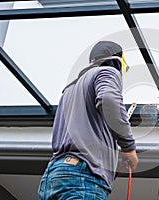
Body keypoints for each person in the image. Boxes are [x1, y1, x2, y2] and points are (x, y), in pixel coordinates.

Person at [38, 41, 138, 200]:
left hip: (53, 176)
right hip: (82, 174)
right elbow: (108, 99)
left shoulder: (69, 89)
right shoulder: (107, 71)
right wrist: (128, 147)